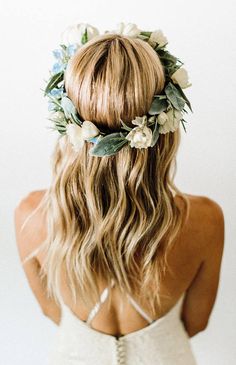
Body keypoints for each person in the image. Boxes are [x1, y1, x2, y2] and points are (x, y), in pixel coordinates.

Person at [14, 23, 224, 365]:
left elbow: (54, 313)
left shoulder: (31, 215)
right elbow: (196, 323)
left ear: (68, 127)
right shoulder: (204, 219)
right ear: (165, 129)